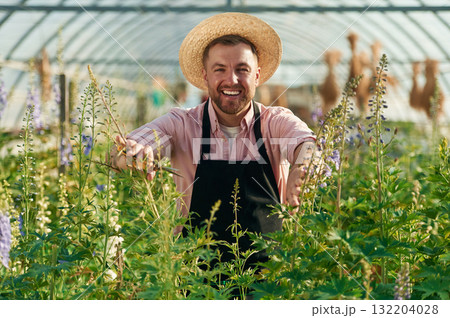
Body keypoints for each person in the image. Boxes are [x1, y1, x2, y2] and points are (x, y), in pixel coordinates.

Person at [111, 12, 316, 263]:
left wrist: (302, 167)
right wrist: (133, 155)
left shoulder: (275, 122)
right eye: (220, 69)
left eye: (242, 69)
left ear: (257, 75)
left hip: (271, 280)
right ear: (205, 75)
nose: (232, 80)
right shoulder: (183, 124)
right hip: (194, 281)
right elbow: (132, 146)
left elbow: (307, 143)